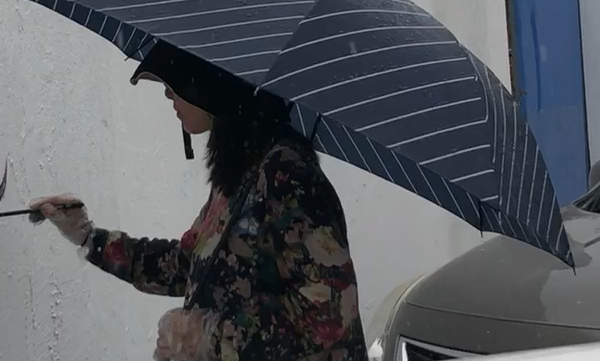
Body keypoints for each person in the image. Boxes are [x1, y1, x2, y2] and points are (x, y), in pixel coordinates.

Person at [29, 43, 368, 361]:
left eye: (178, 81)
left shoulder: (287, 177)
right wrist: (89, 237)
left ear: (211, 82)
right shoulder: (242, 170)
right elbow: (188, 265)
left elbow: (328, 315)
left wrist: (208, 337)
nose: (167, 91)